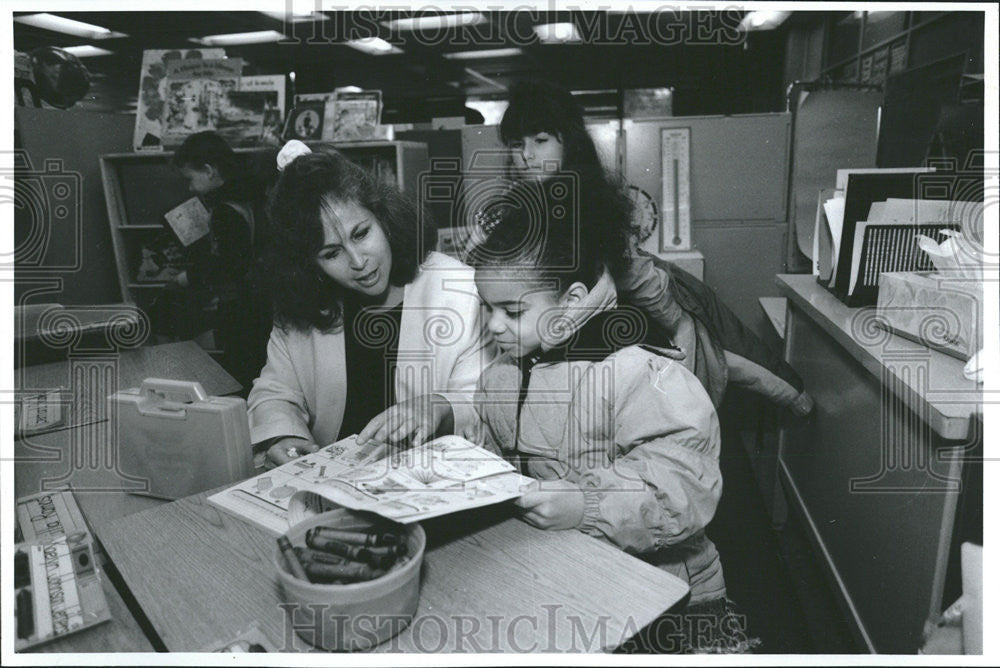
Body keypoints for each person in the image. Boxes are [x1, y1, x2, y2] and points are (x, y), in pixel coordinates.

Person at [466, 180, 738, 651]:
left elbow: (682, 484)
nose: (492, 326)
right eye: (486, 308)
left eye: (511, 311)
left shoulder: (639, 372)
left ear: (570, 302)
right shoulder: (502, 375)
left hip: (663, 596)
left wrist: (587, 506)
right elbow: (491, 450)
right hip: (570, 577)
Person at [484, 79, 811, 414]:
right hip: (571, 340)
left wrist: (679, 332)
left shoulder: (586, 202)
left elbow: (640, 280)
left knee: (708, 376)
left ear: (571, 144)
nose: (526, 155)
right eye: (515, 144)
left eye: (540, 140)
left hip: (636, 321)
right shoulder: (521, 206)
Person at [248, 141, 494, 467]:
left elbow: (487, 398)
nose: (358, 261)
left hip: (430, 481)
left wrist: (438, 406)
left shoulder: (460, 290)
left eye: (361, 234)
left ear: (383, 215)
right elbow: (275, 391)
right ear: (309, 264)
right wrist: (284, 436)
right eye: (331, 253)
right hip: (332, 483)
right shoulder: (301, 305)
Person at [155, 131, 264, 386]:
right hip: (258, 302)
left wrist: (187, 277)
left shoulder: (225, 211)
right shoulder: (248, 197)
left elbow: (229, 266)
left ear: (209, 170)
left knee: (240, 369)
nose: (190, 187)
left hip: (240, 305)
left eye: (191, 178)